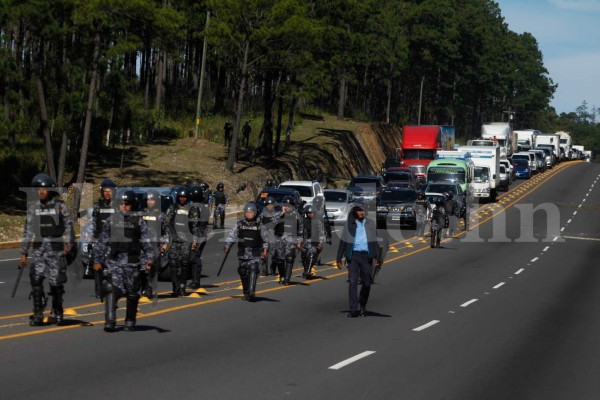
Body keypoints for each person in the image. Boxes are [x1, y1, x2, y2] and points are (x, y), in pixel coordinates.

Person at [92, 190, 154, 332]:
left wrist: (150, 259)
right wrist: (96, 260)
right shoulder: (111, 221)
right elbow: (102, 242)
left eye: (127, 204)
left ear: (133, 205)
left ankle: (130, 320)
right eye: (121, 204)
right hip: (114, 261)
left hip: (132, 262)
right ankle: (110, 321)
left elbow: (146, 242)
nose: (124, 207)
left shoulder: (139, 221)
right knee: (111, 289)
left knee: (132, 293)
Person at [20, 173, 74, 326]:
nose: (40, 192)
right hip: (39, 251)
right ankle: (38, 313)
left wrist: (68, 245)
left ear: (49, 190)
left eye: (43, 189)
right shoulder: (34, 207)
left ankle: (58, 310)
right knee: (36, 280)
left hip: (56, 251)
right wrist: (24, 252)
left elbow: (69, 226)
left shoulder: (60, 205)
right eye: (38, 190)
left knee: (56, 284)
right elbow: (28, 231)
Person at [335, 205, 381, 318]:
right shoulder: (350, 224)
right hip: (353, 256)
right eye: (359, 211)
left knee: (366, 283)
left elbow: (374, 241)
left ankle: (362, 305)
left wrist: (378, 258)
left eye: (363, 211)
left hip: (366, 257)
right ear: (355, 212)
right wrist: (338, 258)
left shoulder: (370, 223)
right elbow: (343, 242)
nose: (361, 212)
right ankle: (353, 310)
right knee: (352, 282)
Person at [224, 203, 269, 302]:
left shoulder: (259, 226)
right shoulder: (240, 224)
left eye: (251, 212)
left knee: (253, 268)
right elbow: (232, 236)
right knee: (242, 271)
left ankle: (252, 291)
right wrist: (227, 246)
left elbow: (265, 239)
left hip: (255, 253)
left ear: (255, 213)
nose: (249, 214)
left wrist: (265, 250)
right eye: (247, 212)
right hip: (242, 253)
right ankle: (246, 292)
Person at [165, 187, 201, 297]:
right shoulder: (173, 208)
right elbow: (167, 222)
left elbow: (195, 226)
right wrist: (167, 238)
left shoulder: (192, 209)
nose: (182, 199)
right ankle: (175, 287)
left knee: (185, 263)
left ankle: (182, 286)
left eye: (184, 197)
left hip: (186, 239)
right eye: (180, 197)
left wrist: (194, 241)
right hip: (174, 239)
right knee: (173, 263)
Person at [89, 178, 117, 298]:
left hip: (114, 241)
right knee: (97, 266)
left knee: (113, 268)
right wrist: (91, 240)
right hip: (100, 241)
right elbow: (94, 224)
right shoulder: (97, 207)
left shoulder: (118, 207)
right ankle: (99, 290)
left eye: (109, 191)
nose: (107, 193)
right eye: (105, 191)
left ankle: (114, 290)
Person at [140, 190, 169, 298]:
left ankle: (149, 289)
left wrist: (165, 244)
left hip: (155, 246)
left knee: (152, 269)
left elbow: (165, 231)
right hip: (142, 246)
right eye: (148, 200)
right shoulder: (142, 214)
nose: (150, 202)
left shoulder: (161, 216)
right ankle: (143, 288)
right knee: (142, 269)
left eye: (152, 200)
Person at [271, 195, 303, 285]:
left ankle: (287, 279)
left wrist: (299, 241)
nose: (287, 207)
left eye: (289, 206)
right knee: (280, 260)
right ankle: (282, 275)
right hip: (279, 240)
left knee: (289, 258)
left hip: (291, 240)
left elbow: (300, 230)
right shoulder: (278, 215)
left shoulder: (297, 216)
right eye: (285, 205)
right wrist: (281, 215)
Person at [189, 186, 209, 289]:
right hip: (203, 233)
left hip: (197, 235)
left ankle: (196, 281)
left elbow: (194, 224)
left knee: (195, 258)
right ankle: (195, 280)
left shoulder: (194, 208)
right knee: (196, 256)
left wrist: (194, 240)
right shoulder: (204, 207)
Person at [301, 205, 325, 279]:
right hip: (305, 242)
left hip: (314, 242)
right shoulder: (303, 221)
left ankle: (308, 271)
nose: (310, 214)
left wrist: (320, 243)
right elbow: (299, 232)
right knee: (304, 258)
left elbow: (321, 232)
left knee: (312, 254)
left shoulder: (317, 222)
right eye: (308, 213)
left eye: (312, 213)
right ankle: (306, 270)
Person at [258, 196, 279, 276]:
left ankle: (273, 270)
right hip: (264, 235)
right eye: (268, 205)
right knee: (263, 253)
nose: (270, 206)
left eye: (271, 205)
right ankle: (264, 270)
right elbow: (259, 224)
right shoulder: (262, 215)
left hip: (274, 236)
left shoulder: (277, 214)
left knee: (275, 254)